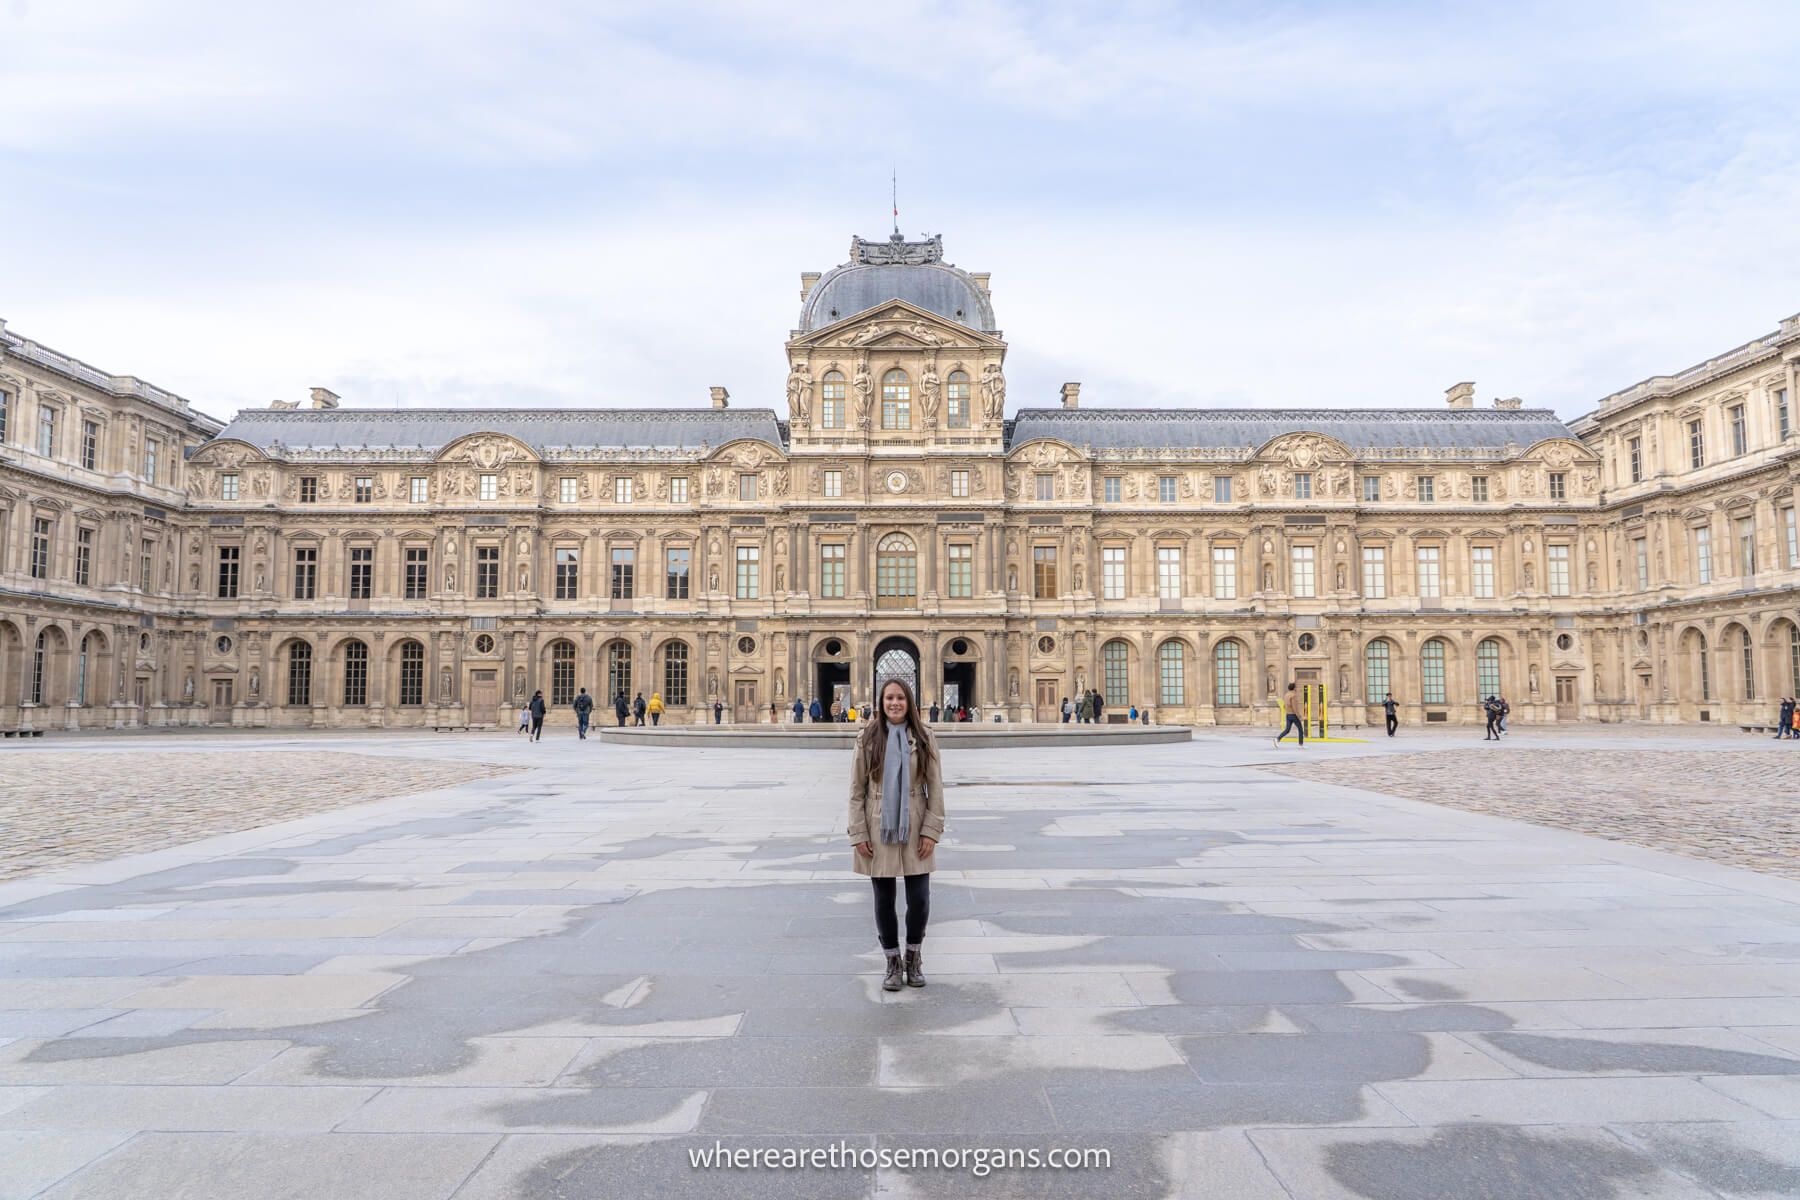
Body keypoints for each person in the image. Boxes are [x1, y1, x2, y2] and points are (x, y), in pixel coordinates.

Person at [849, 677, 946, 992]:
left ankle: (913, 955)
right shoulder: (867, 738)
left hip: (916, 823)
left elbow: (936, 788)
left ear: (910, 703)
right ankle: (892, 962)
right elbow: (856, 791)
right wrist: (858, 833)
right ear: (881, 702)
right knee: (884, 899)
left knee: (919, 898)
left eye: (900, 698)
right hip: (878, 824)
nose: (894, 703)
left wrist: (931, 830)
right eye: (889, 698)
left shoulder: (924, 737)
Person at [1275, 682, 1305, 746]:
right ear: (1294, 688)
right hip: (1293, 715)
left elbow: (1284, 705)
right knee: (1300, 730)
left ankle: (1278, 739)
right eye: (1295, 687)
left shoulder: (1286, 695)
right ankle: (1301, 744)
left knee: (1287, 730)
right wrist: (1298, 715)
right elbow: (1294, 707)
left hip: (1288, 715)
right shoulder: (1293, 695)